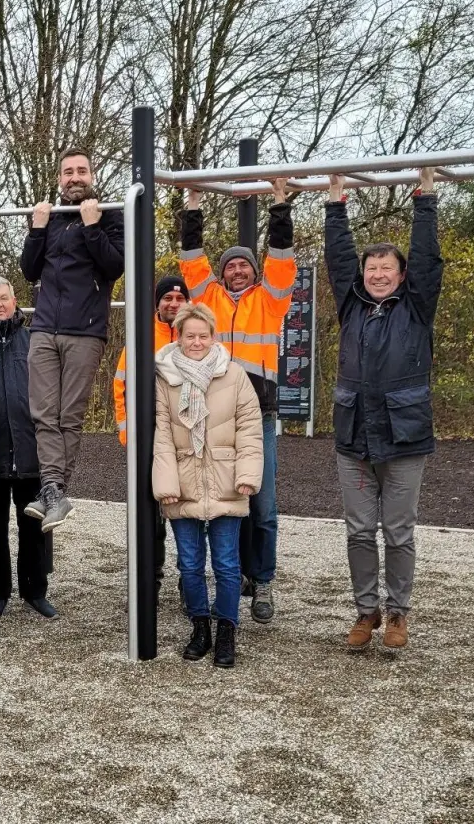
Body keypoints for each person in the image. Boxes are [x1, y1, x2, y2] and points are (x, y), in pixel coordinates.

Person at [323, 168, 444, 653]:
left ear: (400, 275)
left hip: (404, 436)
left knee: (397, 530)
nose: (376, 275)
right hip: (354, 435)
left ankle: (398, 612)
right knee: (357, 530)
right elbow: (337, 259)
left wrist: (426, 198)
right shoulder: (350, 305)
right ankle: (365, 611)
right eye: (370, 268)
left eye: (386, 269)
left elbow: (428, 259)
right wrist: (335, 204)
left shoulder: (416, 307)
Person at [178, 180, 296, 624]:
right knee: (217, 500)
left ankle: (261, 579)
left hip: (257, 416)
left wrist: (280, 203)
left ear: (254, 271)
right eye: (231, 267)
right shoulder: (205, 300)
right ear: (223, 273)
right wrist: (193, 203)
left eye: (245, 266)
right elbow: (192, 259)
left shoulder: (271, 300)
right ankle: (218, 576)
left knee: (262, 503)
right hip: (211, 414)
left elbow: (282, 256)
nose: (238, 272)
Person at [19, 148, 126, 531]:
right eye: (68, 172)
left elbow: (115, 266)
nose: (74, 177)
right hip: (45, 325)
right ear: (60, 177)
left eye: (81, 171)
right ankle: (53, 491)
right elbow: (29, 270)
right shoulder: (52, 219)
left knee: (69, 415)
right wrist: (36, 228)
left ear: (92, 175)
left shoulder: (111, 213)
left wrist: (93, 226)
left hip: (85, 329)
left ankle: (53, 489)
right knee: (43, 412)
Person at [151, 304, 263, 669]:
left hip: (226, 478)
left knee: (228, 564)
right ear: (178, 337)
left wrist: (247, 475)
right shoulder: (164, 379)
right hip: (182, 480)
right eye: (190, 336)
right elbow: (163, 435)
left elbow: (249, 429)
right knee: (190, 564)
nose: (196, 342)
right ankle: (200, 627)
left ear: (213, 337)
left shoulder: (234, 376)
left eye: (203, 335)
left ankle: (227, 629)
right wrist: (166, 483)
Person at [0, 276, 57, 619]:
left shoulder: (33, 339)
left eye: (3, 298)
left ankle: (35, 591)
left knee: (33, 525)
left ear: (14, 300)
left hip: (31, 449)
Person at [112, 276, 188, 608]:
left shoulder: (196, 336)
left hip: (187, 439)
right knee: (149, 516)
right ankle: (150, 580)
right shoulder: (141, 337)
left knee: (189, 514)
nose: (173, 303)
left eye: (179, 297)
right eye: (167, 298)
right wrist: (129, 436)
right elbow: (121, 388)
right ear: (156, 303)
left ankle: (190, 583)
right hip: (149, 440)